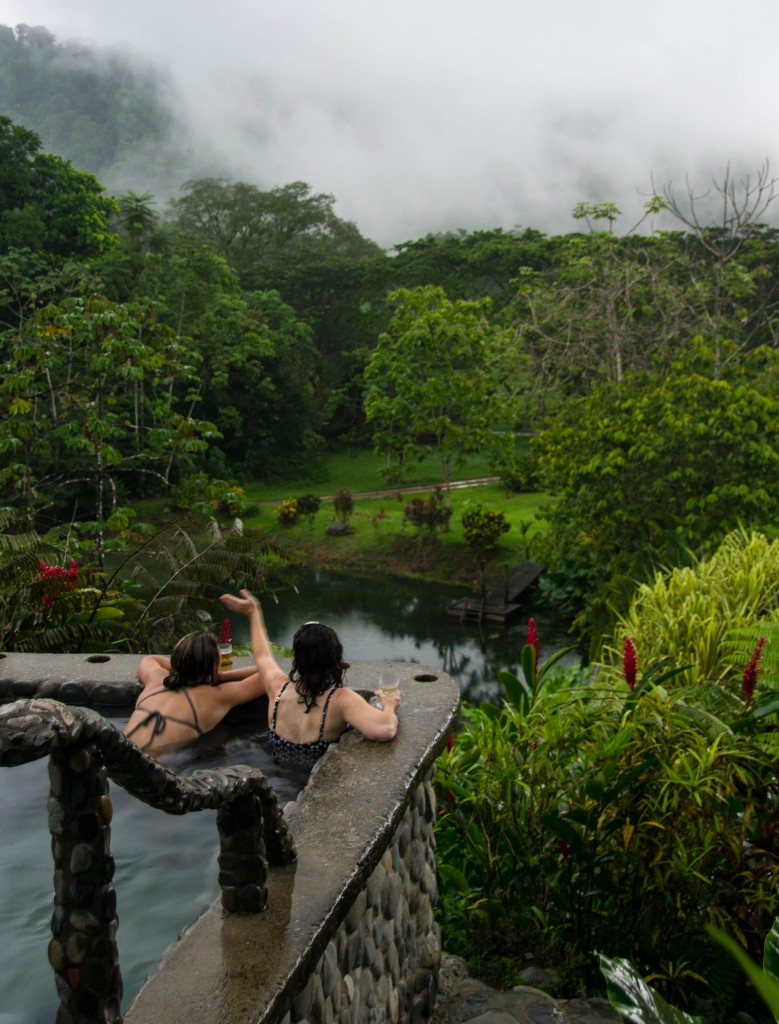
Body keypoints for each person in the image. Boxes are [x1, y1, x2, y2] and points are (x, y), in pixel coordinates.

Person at [219, 588, 400, 765]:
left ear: (297, 660)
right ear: (335, 658)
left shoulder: (278, 689)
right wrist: (389, 706)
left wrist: (253, 612)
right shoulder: (340, 700)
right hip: (314, 781)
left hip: (279, 775)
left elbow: (263, 657)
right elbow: (386, 730)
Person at [124, 629, 265, 754]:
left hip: (117, 752)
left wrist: (180, 670)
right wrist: (219, 676)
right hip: (149, 769)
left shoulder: (156, 680)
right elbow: (268, 673)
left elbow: (149, 659)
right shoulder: (216, 696)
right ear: (214, 665)